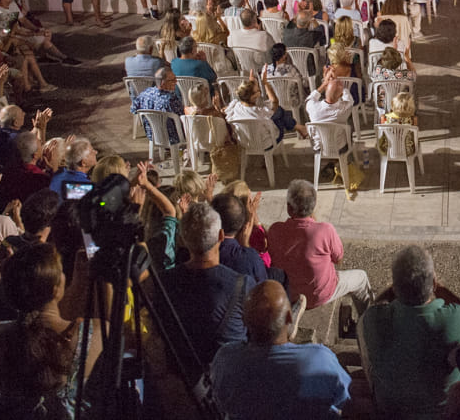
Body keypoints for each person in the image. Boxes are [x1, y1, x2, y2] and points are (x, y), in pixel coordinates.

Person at [0, 242, 102, 415]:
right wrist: (104, 278)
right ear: (55, 289)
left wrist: (79, 280)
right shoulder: (89, 335)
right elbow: (113, 326)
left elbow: (46, 319)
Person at [359, 245, 460, 418]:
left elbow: (374, 307)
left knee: (363, 339)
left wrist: (392, 289)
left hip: (390, 411)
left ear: (395, 288)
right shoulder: (457, 319)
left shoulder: (373, 320)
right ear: (434, 283)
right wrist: (442, 289)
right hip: (441, 413)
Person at [211, 280, 351, 420]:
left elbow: (221, 400)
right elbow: (344, 398)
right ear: (290, 317)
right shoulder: (318, 359)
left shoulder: (225, 360)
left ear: (244, 320)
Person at [158, 202, 255, 364]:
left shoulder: (162, 282)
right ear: (221, 236)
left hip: (181, 370)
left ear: (182, 238)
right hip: (228, 372)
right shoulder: (243, 284)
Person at [267, 179, 373, 317]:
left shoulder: (275, 230)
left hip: (290, 294)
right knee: (361, 278)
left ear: (288, 207)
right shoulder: (325, 230)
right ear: (314, 206)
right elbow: (338, 258)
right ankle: (369, 321)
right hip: (320, 294)